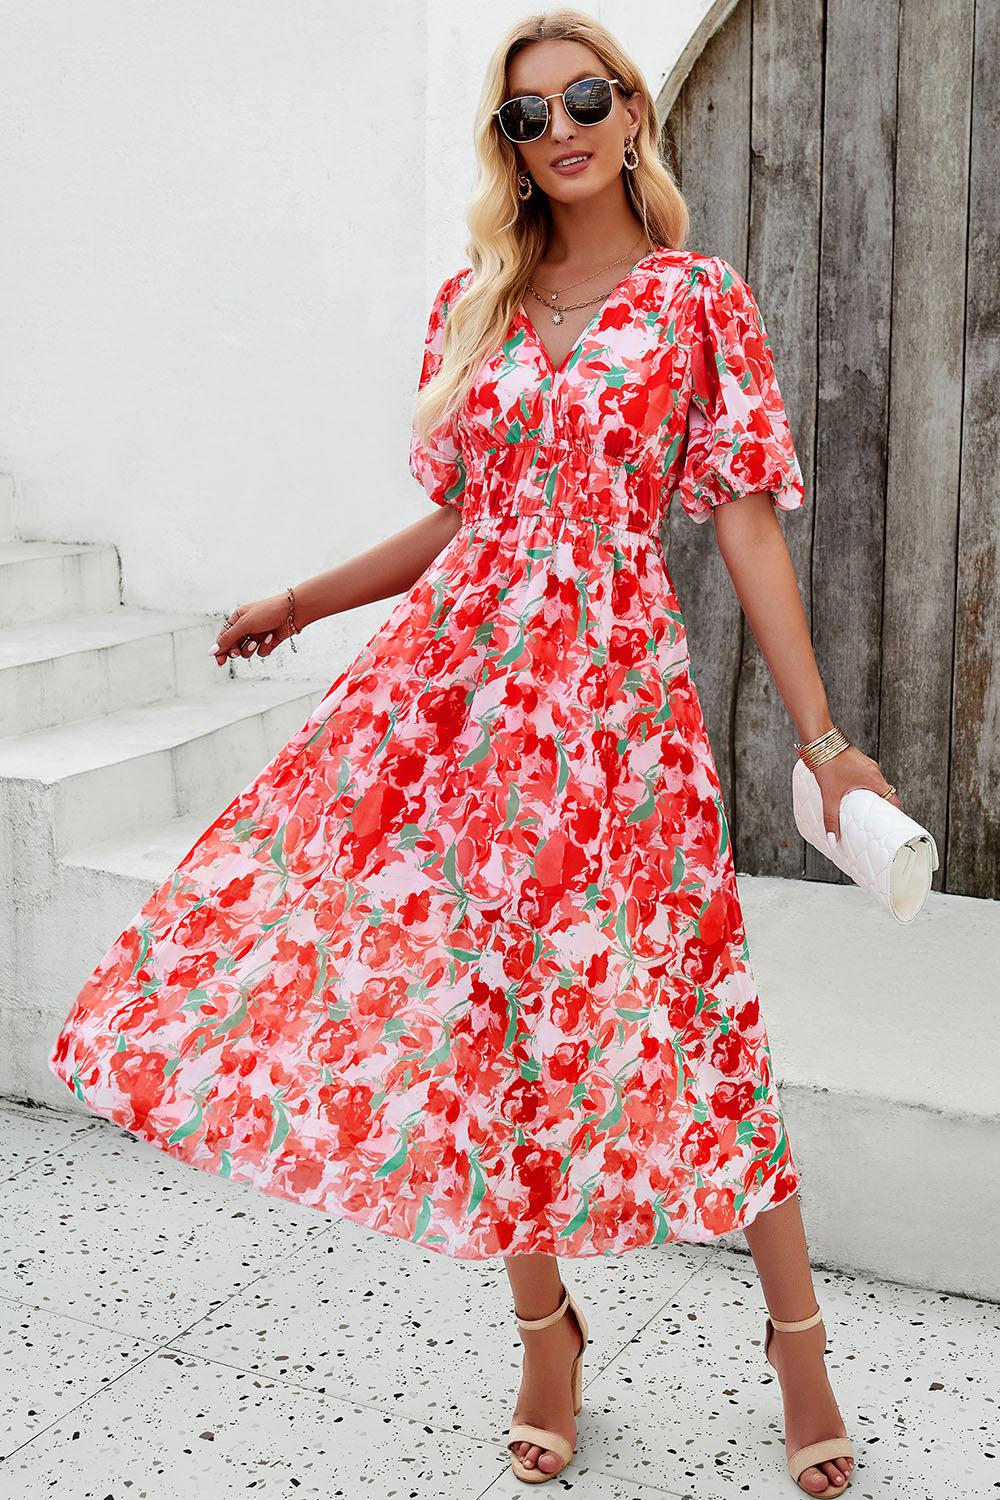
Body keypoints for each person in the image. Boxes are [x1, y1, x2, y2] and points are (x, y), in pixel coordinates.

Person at [47, 8, 897, 1495]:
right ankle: (544, 1331)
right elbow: (468, 517)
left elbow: (747, 523)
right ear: (509, 147)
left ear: (630, 111)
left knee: (695, 1007)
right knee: (494, 1021)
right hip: (468, 702)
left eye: (582, 99)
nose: (559, 128)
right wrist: (305, 597)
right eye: (526, 116)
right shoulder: (480, 300)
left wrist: (825, 745)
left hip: (620, 715)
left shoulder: (697, 299)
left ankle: (799, 1345)